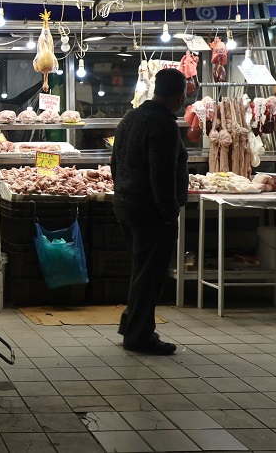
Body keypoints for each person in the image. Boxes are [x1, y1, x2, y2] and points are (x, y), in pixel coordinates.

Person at [111, 68, 188, 355]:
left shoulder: (131, 117)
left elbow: (115, 163)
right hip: (150, 210)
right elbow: (162, 175)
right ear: (180, 97)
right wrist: (169, 213)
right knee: (151, 274)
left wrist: (122, 192)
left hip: (126, 204)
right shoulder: (164, 125)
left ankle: (131, 324)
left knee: (142, 271)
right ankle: (139, 337)